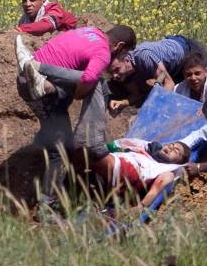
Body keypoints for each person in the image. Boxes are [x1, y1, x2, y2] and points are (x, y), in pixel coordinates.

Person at [14, 25, 137, 210]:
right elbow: (87, 80)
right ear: (119, 46)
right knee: (59, 149)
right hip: (35, 88)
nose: (120, 59)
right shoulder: (103, 53)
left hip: (30, 78)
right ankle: (47, 206)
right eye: (123, 54)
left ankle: (39, 73)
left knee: (97, 83)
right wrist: (80, 94)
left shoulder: (91, 31)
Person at [107, 35, 207, 111]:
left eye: (117, 69)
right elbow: (136, 95)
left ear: (126, 60)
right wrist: (122, 102)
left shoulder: (143, 57)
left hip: (188, 50)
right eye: (111, 73)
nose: (115, 76)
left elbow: (169, 84)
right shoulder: (125, 74)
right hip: (171, 69)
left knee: (202, 87)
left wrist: (155, 108)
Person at [97, 138, 190, 211]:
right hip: (113, 160)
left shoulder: (167, 170)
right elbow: (115, 145)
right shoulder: (145, 149)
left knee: (94, 155)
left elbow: (156, 189)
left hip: (124, 172)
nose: (171, 147)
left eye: (176, 151)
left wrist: (140, 207)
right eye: (171, 145)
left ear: (178, 162)